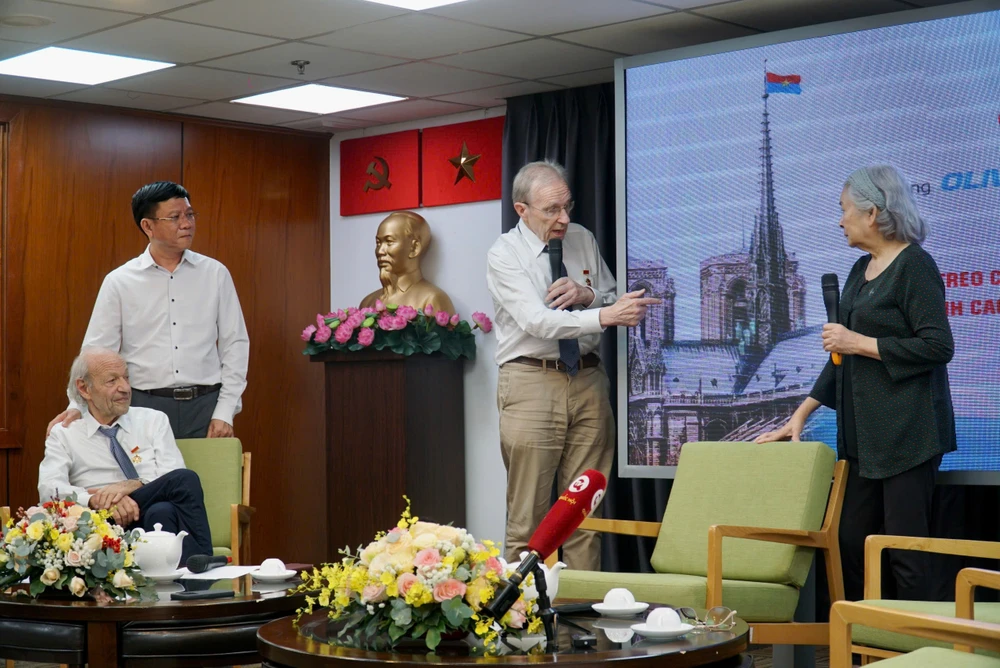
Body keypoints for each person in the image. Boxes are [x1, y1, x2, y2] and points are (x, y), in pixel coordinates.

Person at [756, 164, 955, 602]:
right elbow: (841, 358)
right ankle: (867, 643)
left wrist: (861, 341)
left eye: (844, 210)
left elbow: (938, 346)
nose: (839, 219)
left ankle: (911, 650)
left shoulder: (915, 265)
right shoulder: (857, 271)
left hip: (908, 435)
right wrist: (800, 414)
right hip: (862, 439)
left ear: (873, 213)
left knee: (905, 553)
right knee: (849, 542)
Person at [487, 161, 659, 570]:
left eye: (568, 206)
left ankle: (578, 628)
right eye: (551, 210)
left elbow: (610, 294)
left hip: (587, 378)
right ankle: (523, 625)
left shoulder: (581, 237)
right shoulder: (504, 254)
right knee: (528, 519)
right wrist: (603, 315)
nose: (564, 219)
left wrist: (587, 295)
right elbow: (537, 321)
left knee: (585, 514)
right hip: (531, 380)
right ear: (521, 209)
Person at [47, 181, 250, 439]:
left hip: (206, 407)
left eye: (189, 215)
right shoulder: (120, 281)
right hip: (142, 406)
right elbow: (96, 352)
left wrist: (225, 410)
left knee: (205, 480)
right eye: (175, 217)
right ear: (148, 225)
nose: (187, 223)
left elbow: (236, 344)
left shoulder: (215, 274)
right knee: (146, 481)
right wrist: (77, 405)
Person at [39, 348, 213, 565]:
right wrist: (94, 500)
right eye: (112, 381)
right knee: (185, 480)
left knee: (163, 510)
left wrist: (131, 485)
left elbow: (171, 475)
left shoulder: (153, 420)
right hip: (101, 526)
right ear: (84, 389)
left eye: (126, 378)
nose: (125, 388)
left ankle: (172, 591)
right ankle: (205, 566)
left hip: (150, 515)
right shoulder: (65, 433)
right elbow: (48, 489)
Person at [360, 211, 456, 314]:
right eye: (378, 243)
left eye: (389, 242)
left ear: (414, 248)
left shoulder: (432, 299)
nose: (380, 251)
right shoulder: (368, 303)